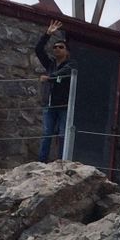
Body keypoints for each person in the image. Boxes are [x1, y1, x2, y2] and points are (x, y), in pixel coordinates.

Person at [34, 20, 74, 161]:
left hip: (63, 105)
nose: (57, 49)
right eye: (55, 47)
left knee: (63, 134)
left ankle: (62, 162)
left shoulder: (70, 65)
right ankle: (42, 162)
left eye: (61, 47)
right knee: (46, 133)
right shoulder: (50, 64)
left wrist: (49, 78)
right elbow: (38, 50)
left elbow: (63, 73)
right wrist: (47, 34)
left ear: (67, 51)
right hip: (49, 104)